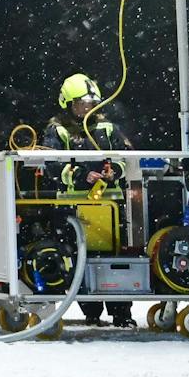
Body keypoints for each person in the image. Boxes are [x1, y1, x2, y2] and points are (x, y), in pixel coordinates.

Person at [44, 73, 134, 327]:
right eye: (82, 104)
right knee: (79, 259)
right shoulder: (57, 130)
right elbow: (52, 166)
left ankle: (121, 312)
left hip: (110, 207)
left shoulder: (106, 127)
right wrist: (82, 176)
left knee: (115, 259)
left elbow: (125, 156)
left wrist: (113, 171)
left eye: (91, 104)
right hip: (74, 209)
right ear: (68, 105)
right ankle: (91, 311)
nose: (87, 109)